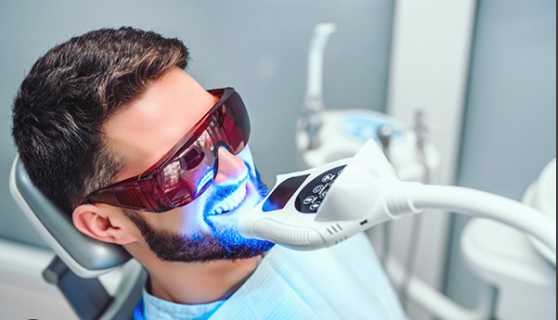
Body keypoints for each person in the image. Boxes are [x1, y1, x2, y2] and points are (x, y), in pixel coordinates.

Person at [12, 27, 406, 320]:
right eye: (183, 164)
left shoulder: (318, 207)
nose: (237, 169)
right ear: (106, 224)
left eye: (223, 124)